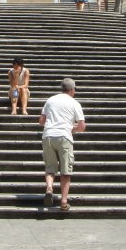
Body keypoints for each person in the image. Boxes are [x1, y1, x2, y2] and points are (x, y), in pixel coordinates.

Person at [39, 78, 86, 212]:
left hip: (48, 135)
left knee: (50, 168)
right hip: (64, 136)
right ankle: (64, 201)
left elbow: (41, 121)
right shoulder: (74, 103)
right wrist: (73, 129)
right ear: (72, 89)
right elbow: (82, 126)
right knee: (66, 171)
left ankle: (49, 188)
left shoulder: (50, 100)